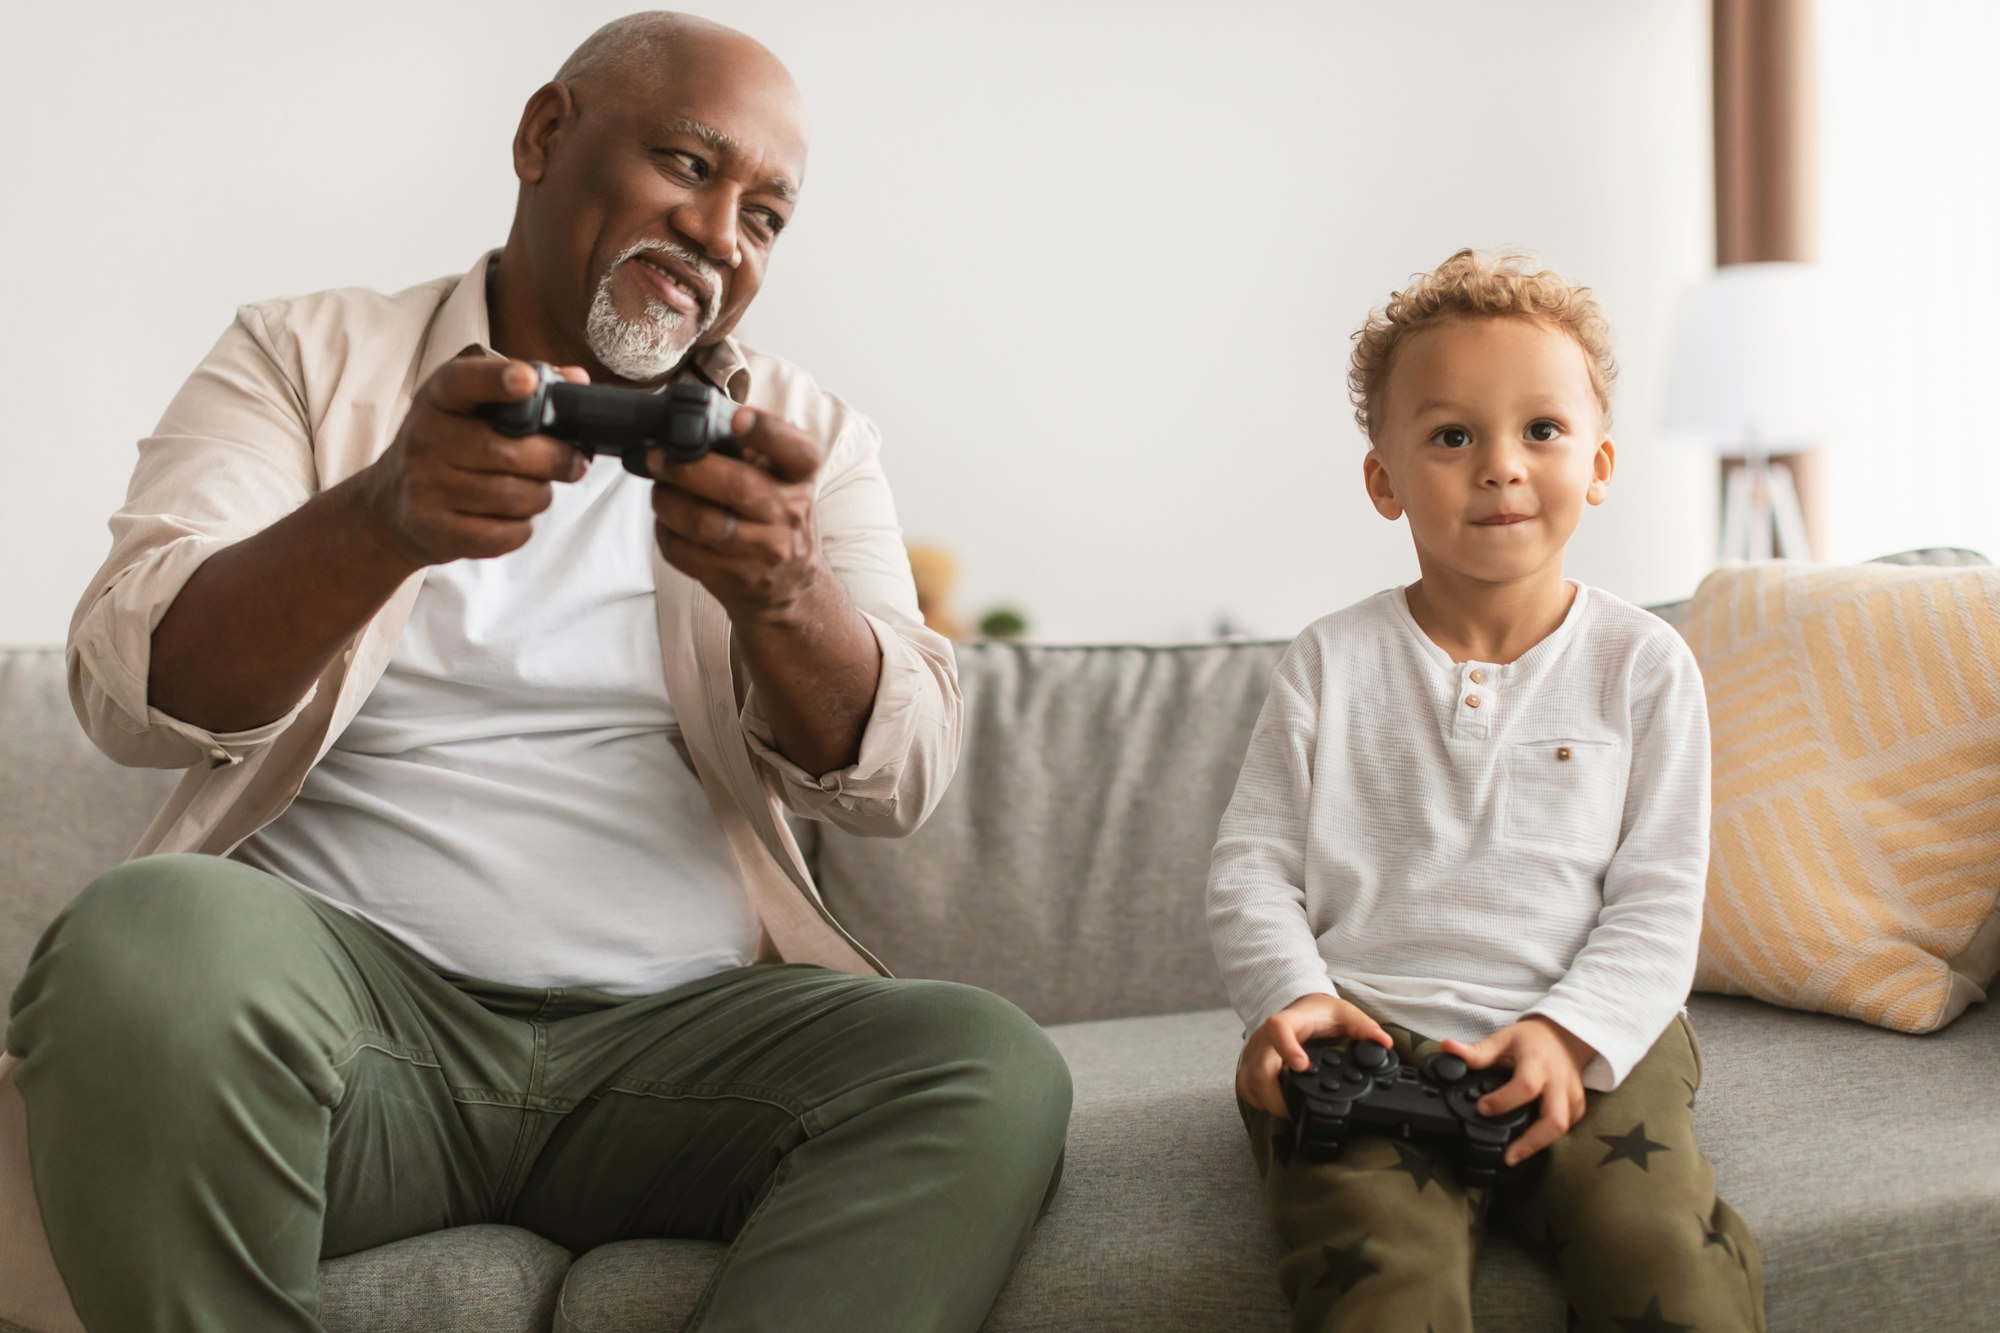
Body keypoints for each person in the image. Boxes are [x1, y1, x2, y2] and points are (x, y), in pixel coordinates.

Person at [0, 13, 1070, 1332]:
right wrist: (379, 515)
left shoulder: (807, 440)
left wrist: (786, 596)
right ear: (544, 135)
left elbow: (900, 778)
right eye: (688, 164)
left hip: (680, 1058)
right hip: (351, 1049)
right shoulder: (299, 357)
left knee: (983, 1062)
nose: (722, 237)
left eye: (768, 217)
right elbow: (130, 687)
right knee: (145, 937)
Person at [1206, 250, 1765, 1332]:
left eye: (1539, 432)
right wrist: (1288, 994)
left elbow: (1656, 900)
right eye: (1451, 435)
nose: (1499, 466)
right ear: (1384, 480)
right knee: (1377, 1282)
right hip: (1364, 1037)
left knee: (1661, 1257)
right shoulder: (1330, 662)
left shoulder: (1643, 665)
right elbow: (1251, 866)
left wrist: (1567, 1032)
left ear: (1598, 462)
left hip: (1589, 1037)